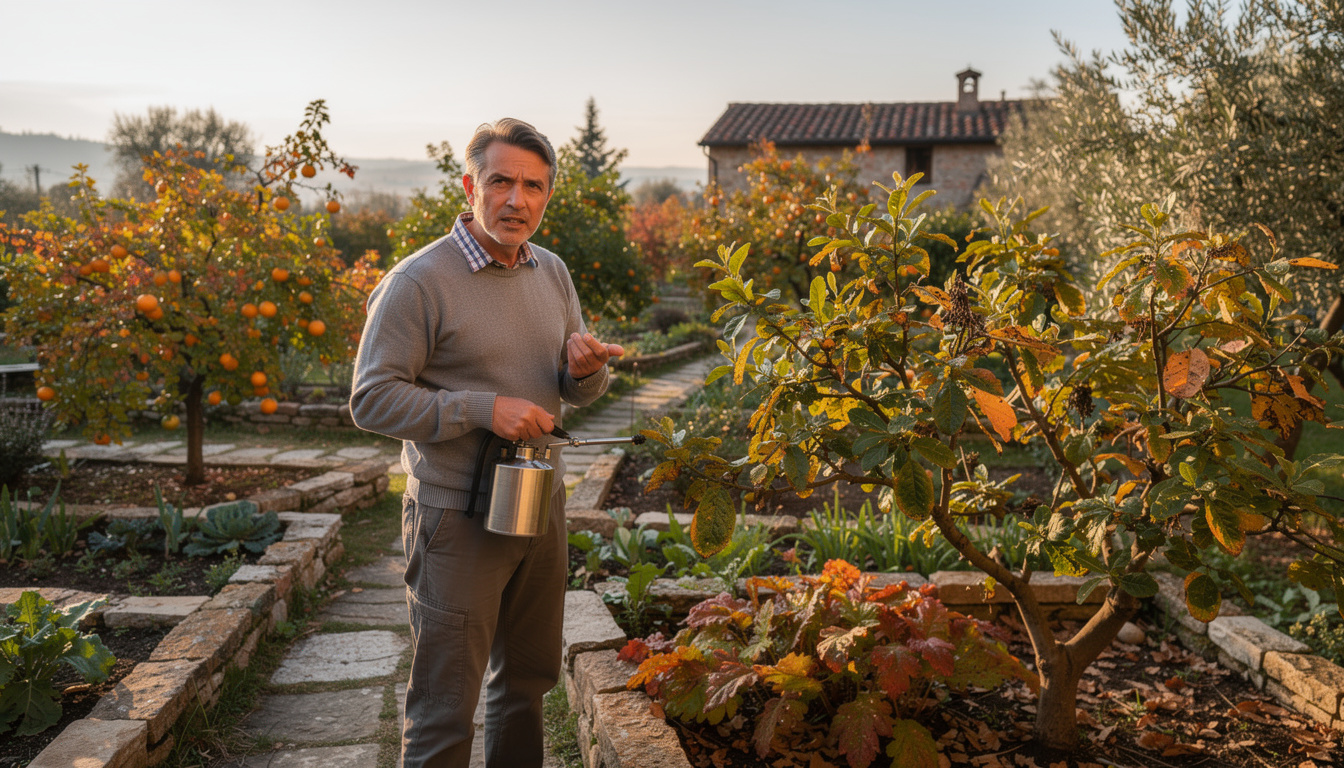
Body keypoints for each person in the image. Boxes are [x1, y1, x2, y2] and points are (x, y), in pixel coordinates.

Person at [349, 117, 624, 768]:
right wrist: (482, 409)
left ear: (547, 195)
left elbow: (571, 388)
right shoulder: (418, 281)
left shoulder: (552, 272)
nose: (516, 200)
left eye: (533, 186)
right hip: (456, 516)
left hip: (539, 504)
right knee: (445, 708)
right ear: (470, 186)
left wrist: (587, 373)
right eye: (500, 182)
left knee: (527, 684)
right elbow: (371, 399)